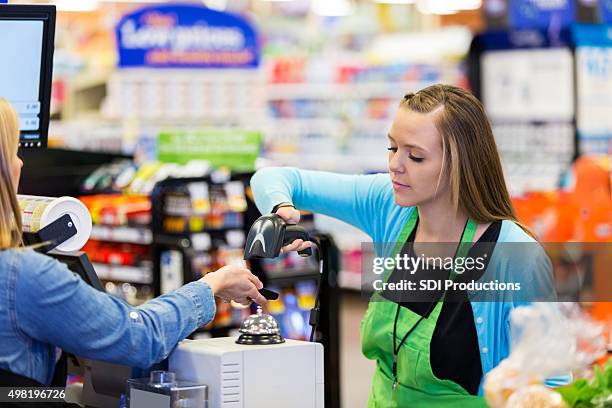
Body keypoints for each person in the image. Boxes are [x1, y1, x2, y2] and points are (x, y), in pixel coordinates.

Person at [250, 84, 559, 407]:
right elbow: (272, 178)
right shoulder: (389, 205)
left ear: (460, 165)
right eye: (392, 148)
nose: (396, 164)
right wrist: (281, 210)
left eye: (415, 156)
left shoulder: (514, 255)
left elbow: (550, 385)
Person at [0, 98, 267, 386]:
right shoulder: (22, 275)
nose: (20, 162)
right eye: (14, 150)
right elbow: (140, 337)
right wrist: (213, 283)